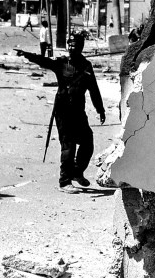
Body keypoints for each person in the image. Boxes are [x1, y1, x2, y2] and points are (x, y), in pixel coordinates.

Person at [15, 30, 106, 190]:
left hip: (78, 110)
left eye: (75, 44)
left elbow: (93, 89)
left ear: (81, 46)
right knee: (68, 144)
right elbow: (44, 61)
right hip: (63, 110)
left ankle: (77, 172)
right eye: (69, 44)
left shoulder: (86, 65)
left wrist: (100, 109)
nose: (71, 47)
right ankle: (64, 181)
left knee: (87, 142)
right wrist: (27, 55)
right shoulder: (62, 62)